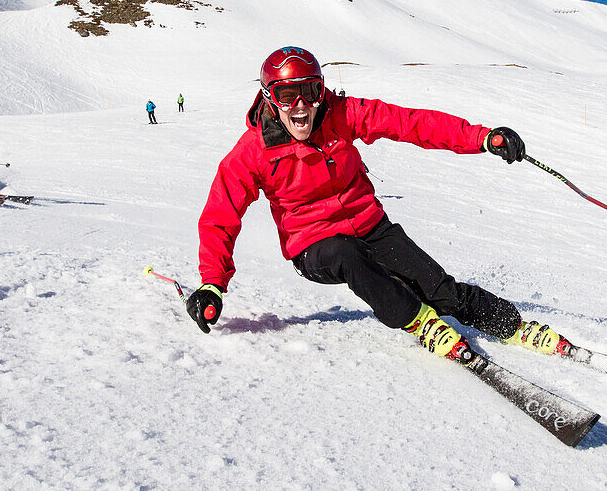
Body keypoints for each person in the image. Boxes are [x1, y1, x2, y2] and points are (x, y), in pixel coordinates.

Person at [186, 46, 567, 366]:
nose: (301, 106)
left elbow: (411, 123)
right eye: (288, 95)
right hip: (314, 246)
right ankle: (417, 321)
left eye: (311, 91)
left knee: (438, 288)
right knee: (349, 255)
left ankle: (512, 326)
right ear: (271, 98)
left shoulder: (341, 114)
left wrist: (483, 138)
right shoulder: (253, 152)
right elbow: (221, 215)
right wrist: (212, 283)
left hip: (371, 226)